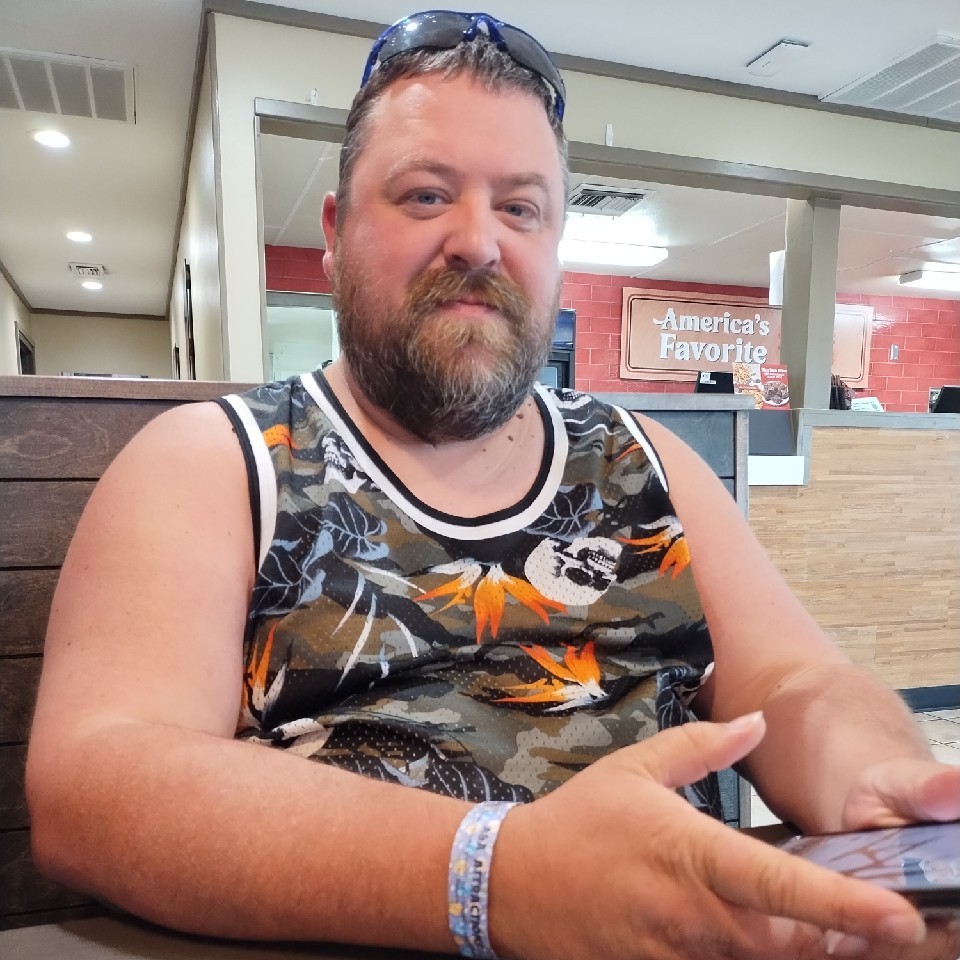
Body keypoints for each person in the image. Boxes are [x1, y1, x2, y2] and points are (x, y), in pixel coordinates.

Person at [26, 11, 960, 960]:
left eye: (520, 208)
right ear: (338, 233)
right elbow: (98, 782)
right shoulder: (216, 464)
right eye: (427, 196)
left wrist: (873, 780)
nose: (477, 241)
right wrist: (498, 875)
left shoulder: (642, 459)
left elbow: (794, 680)